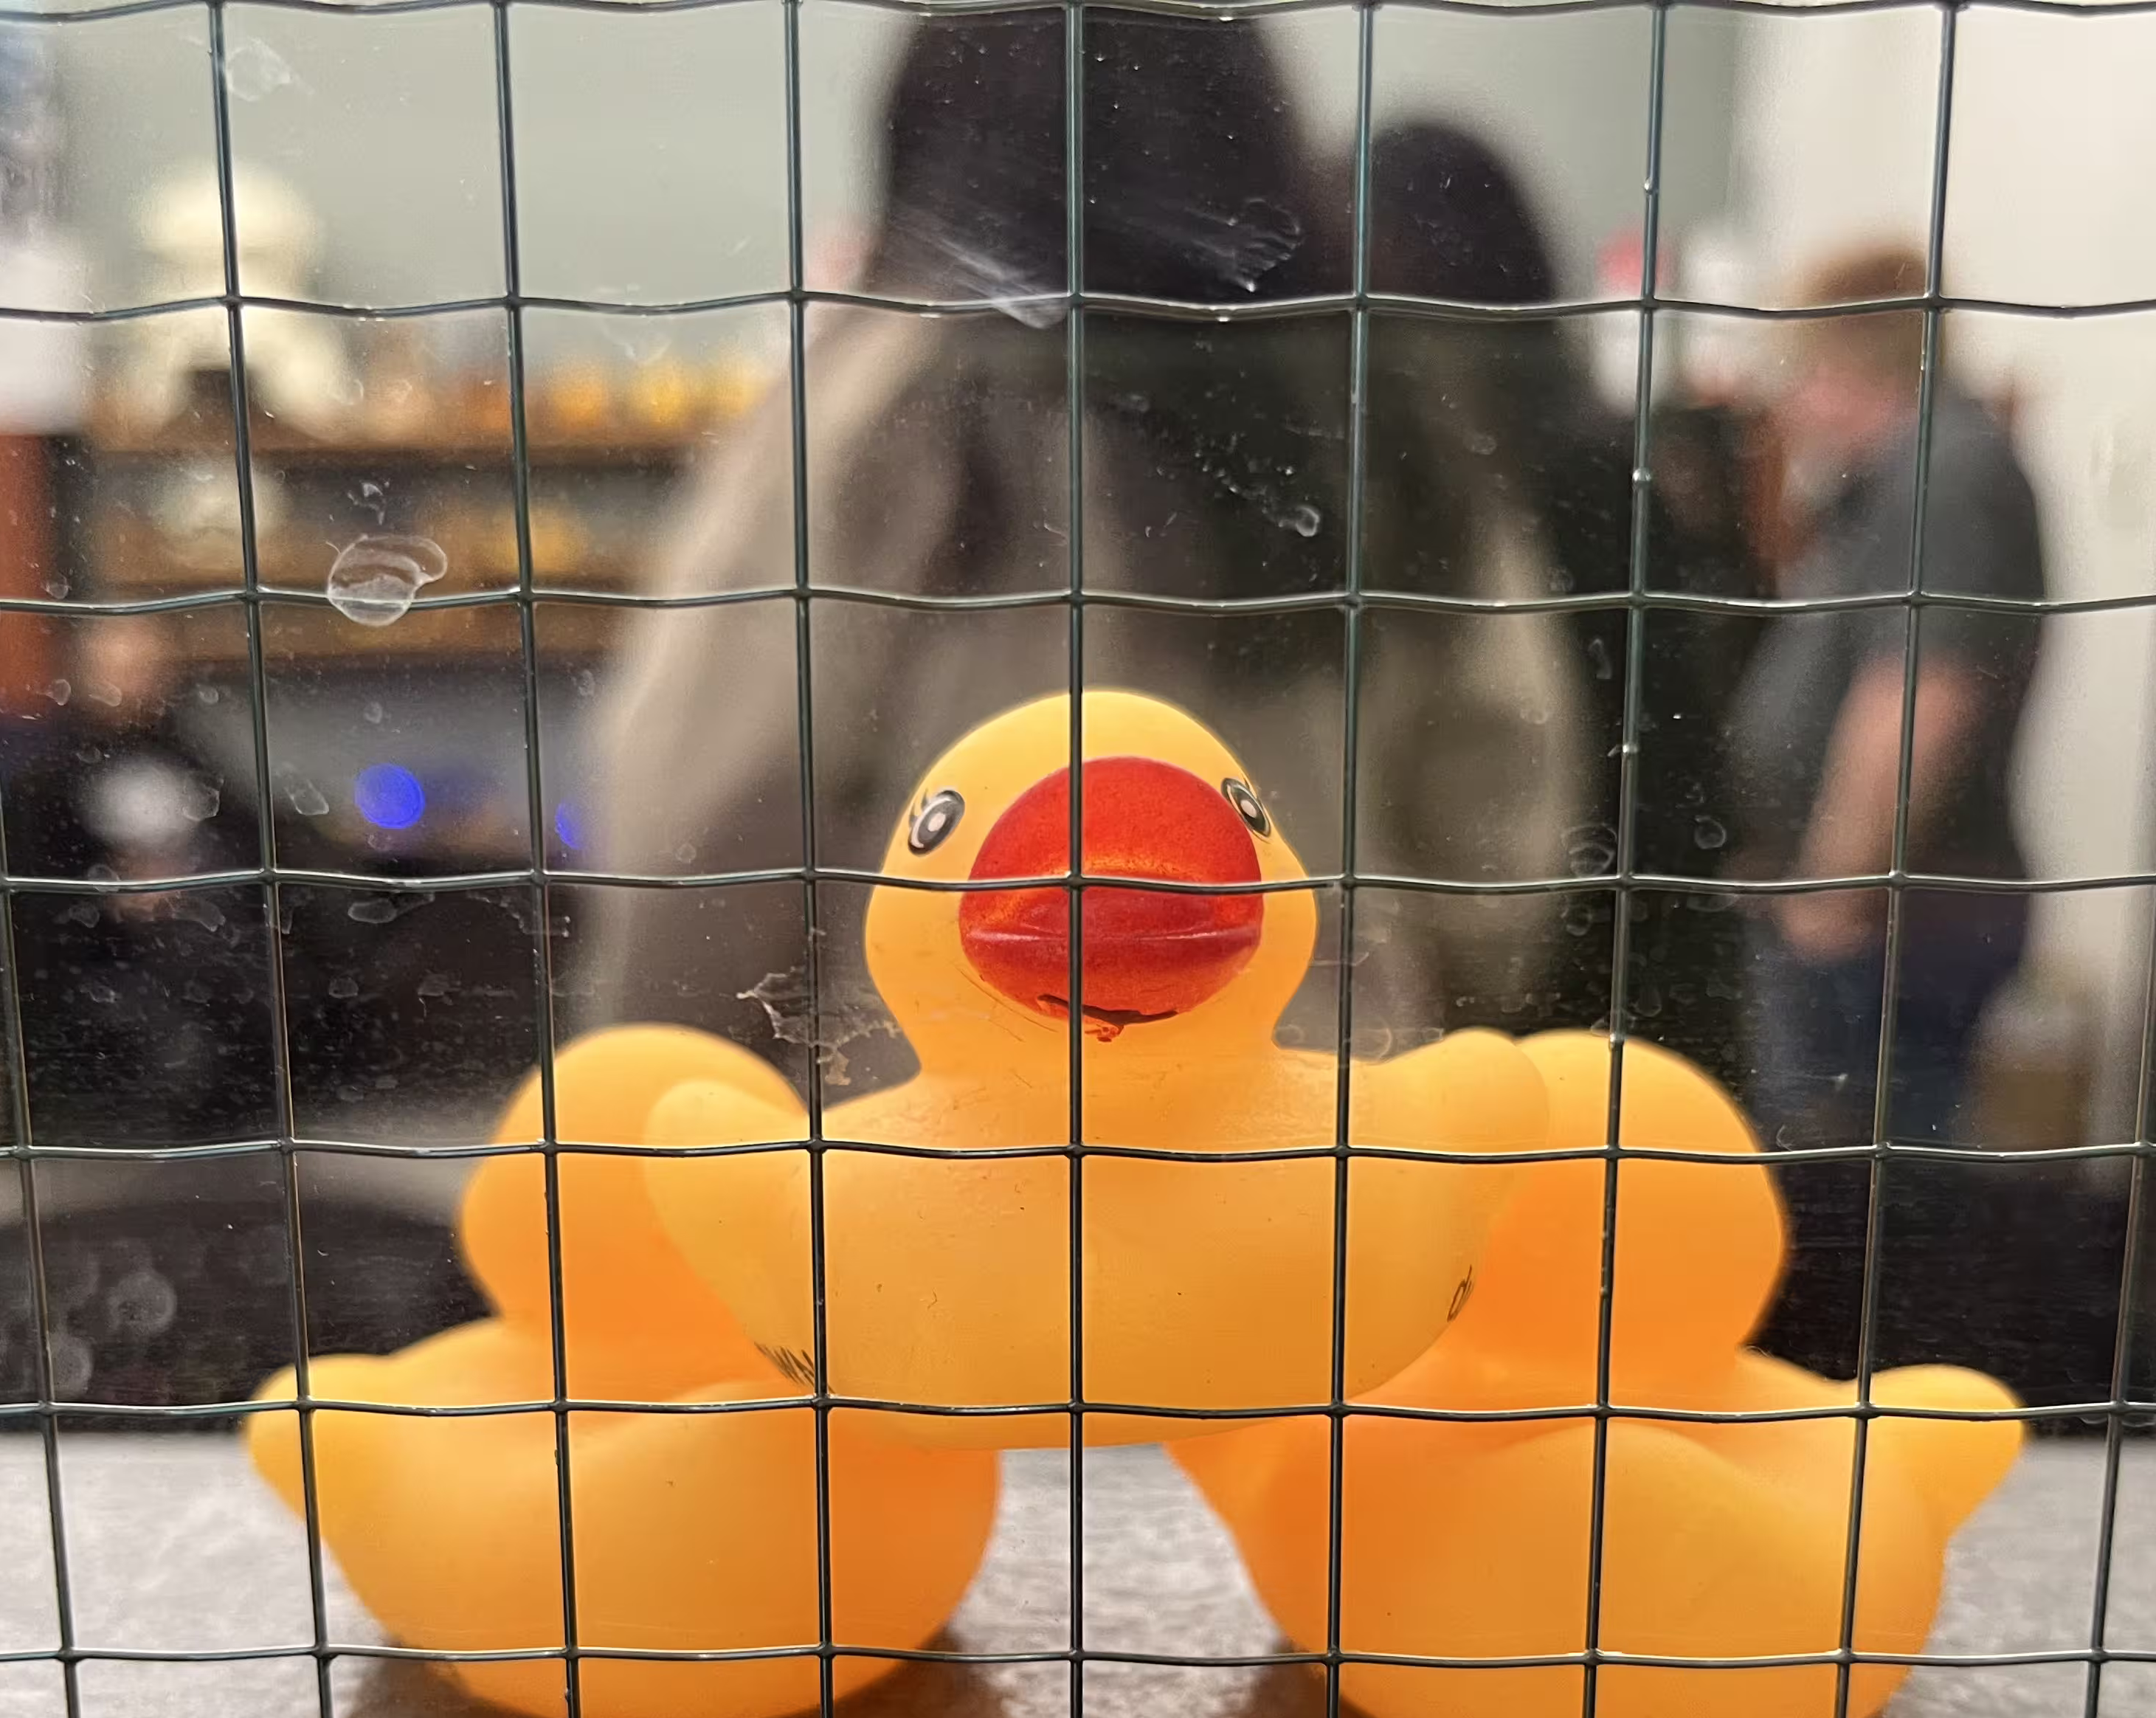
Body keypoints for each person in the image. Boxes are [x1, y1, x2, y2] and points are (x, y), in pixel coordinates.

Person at [567, 13, 1597, 1074]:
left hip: (932, 1155)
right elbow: (1499, 834)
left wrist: (661, 1085)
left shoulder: (879, 415)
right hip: (1312, 1145)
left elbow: (703, 818)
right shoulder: (1377, 413)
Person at [1359, 120, 1763, 1097]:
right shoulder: (1598, 462)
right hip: (1642, 967)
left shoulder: (1438, 483)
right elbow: (1688, 757)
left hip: (1546, 966)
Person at [1730, 243, 2045, 1147]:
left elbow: (1919, 704)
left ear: (1843, 362)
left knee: (1856, 1211)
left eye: (1799, 373)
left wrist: (1834, 899)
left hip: (1889, 928)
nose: (1788, 404)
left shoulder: (1949, 476)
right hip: (1882, 916)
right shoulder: (1904, 478)